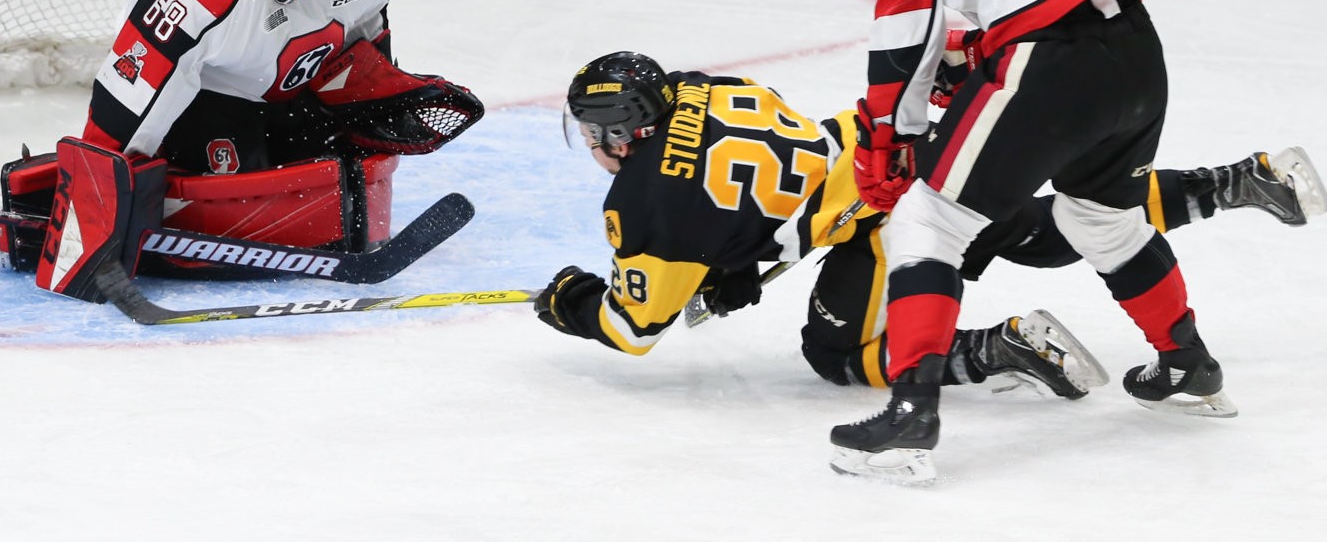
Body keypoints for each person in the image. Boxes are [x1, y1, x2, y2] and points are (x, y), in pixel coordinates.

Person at [829, 0, 1256, 484]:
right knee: (1102, 219)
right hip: (1134, 46)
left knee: (927, 222)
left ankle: (910, 415)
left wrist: (890, 129)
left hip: (1047, 59)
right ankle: (1187, 362)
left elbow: (907, 21)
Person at [534, 52, 1320, 404]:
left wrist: (572, 301)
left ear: (623, 132)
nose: (593, 146)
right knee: (1054, 227)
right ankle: (1234, 180)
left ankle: (1002, 347)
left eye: (595, 132)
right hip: (903, 148)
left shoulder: (646, 203)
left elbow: (635, 327)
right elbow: (751, 182)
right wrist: (732, 257)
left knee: (834, 351)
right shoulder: (700, 87)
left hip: (881, 210)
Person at [0, 0, 482, 298]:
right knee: (236, 181)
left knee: (326, 156)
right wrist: (92, 195)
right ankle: (35, 206)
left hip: (290, 68)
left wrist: (369, 93)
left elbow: (369, 17)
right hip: (203, 84)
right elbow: (133, 88)